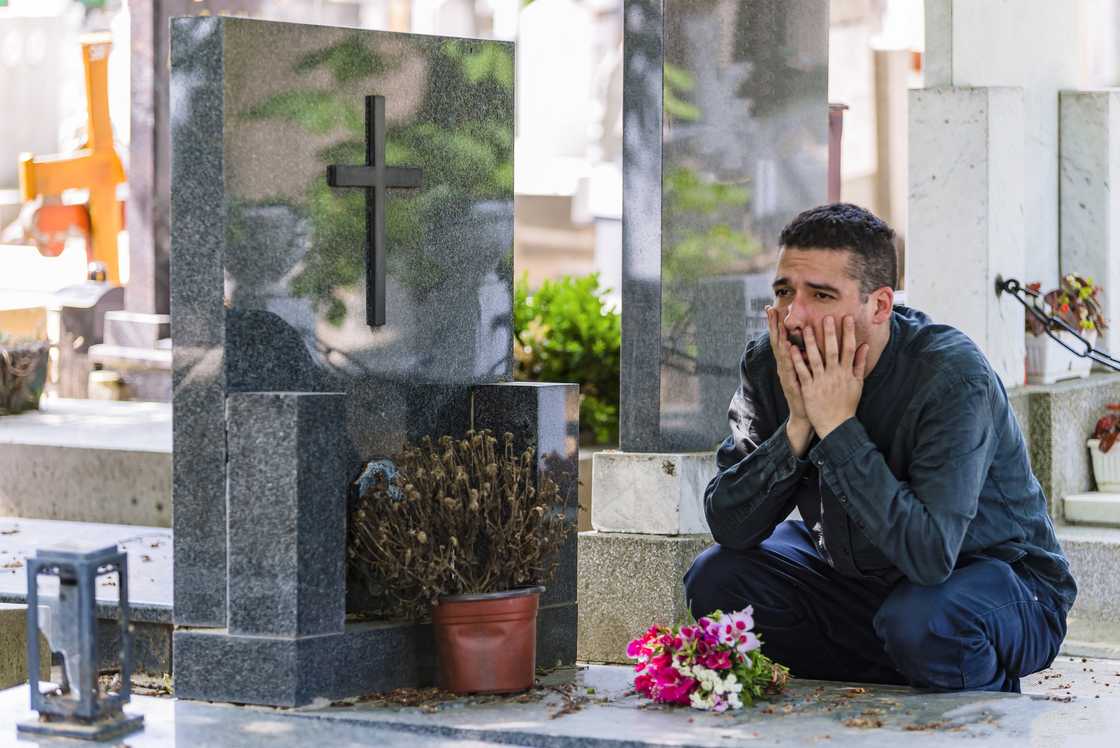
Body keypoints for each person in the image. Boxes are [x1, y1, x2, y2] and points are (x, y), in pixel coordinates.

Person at [683, 203, 1075, 693]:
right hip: (855, 577)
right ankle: (893, 673)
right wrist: (800, 424)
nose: (793, 315)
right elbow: (729, 523)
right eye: (784, 291)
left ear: (880, 306)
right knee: (717, 579)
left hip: (997, 583)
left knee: (925, 622)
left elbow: (931, 556)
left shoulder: (950, 376)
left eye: (821, 295)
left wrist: (838, 426)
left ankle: (970, 696)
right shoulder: (772, 362)